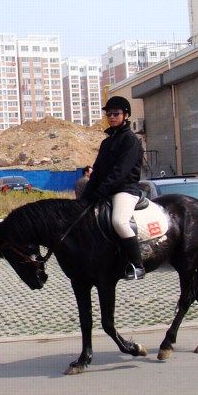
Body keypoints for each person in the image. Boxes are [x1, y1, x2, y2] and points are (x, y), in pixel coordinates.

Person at [80, 96, 145, 281]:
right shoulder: (106, 143)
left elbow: (120, 172)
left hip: (125, 190)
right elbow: (98, 172)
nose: (111, 117)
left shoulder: (131, 140)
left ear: (126, 115)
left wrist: (101, 192)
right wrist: (85, 198)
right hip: (107, 190)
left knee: (119, 222)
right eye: (108, 114)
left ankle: (137, 265)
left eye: (116, 113)